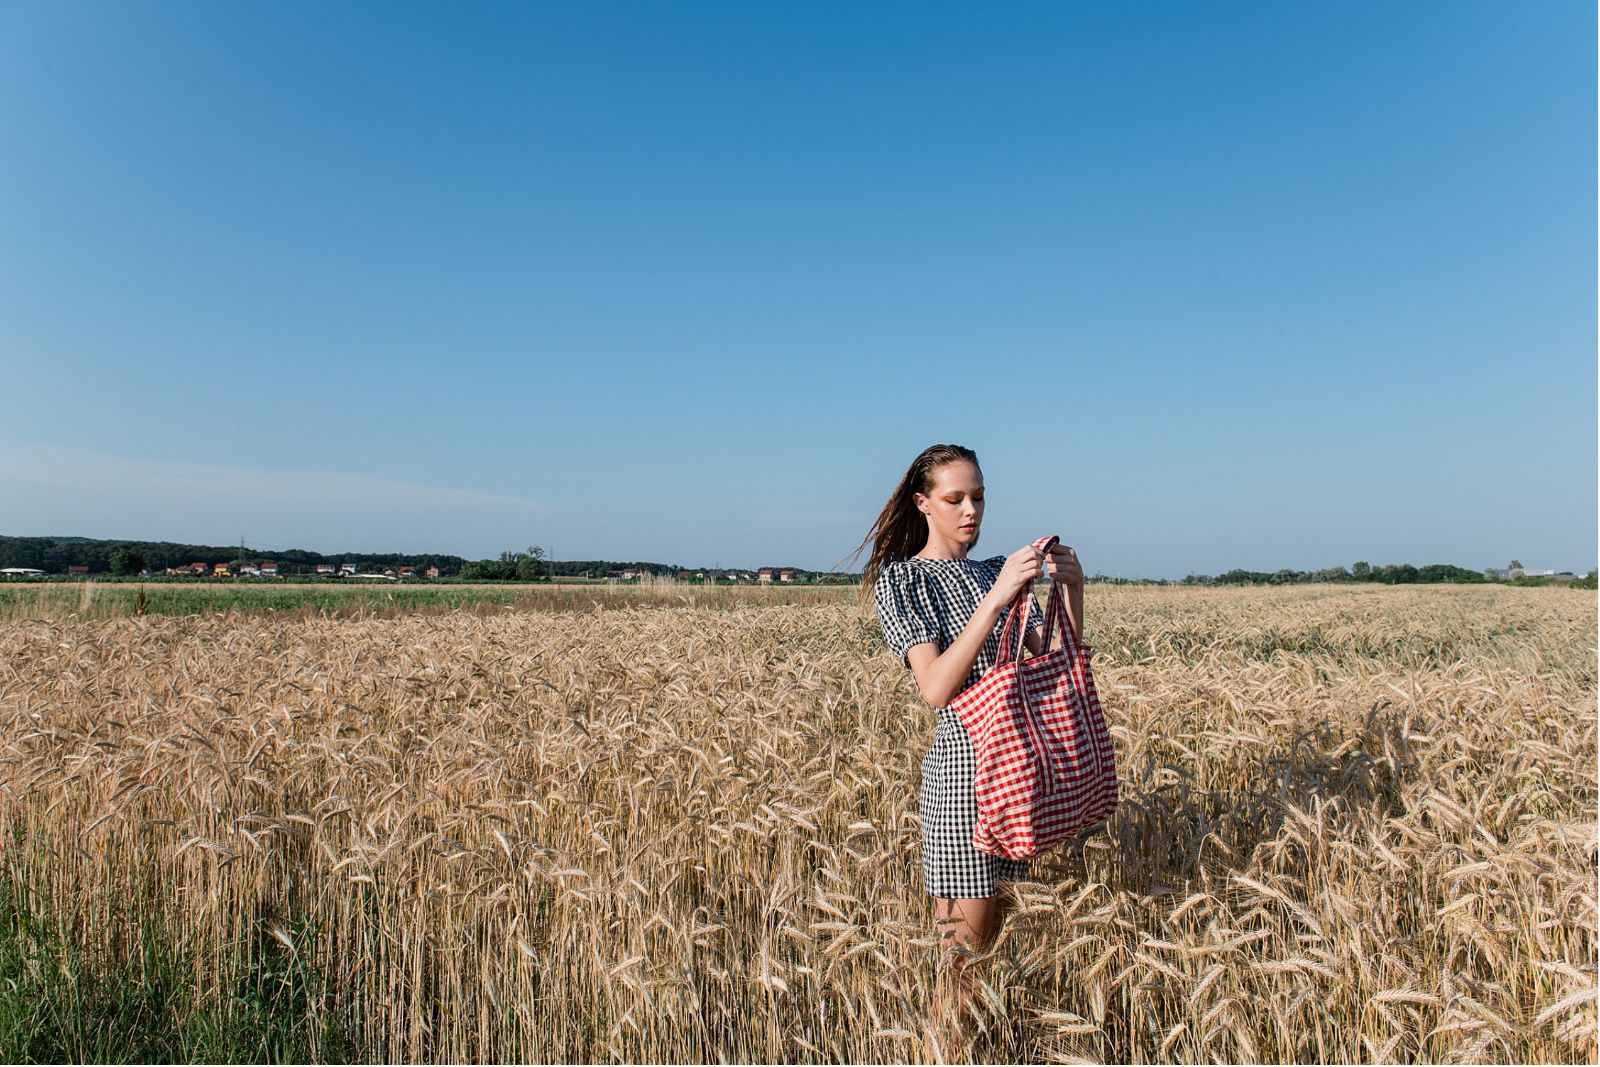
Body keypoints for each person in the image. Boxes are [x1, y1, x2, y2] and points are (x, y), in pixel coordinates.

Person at [852, 443, 1084, 1058]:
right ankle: (942, 1054)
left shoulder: (989, 573)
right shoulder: (902, 581)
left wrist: (1072, 587)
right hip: (965, 782)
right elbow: (935, 687)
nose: (970, 510)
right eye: (955, 498)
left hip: (1018, 773)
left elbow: (1048, 658)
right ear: (923, 503)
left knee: (988, 953)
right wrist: (998, 598)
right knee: (962, 965)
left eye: (978, 496)